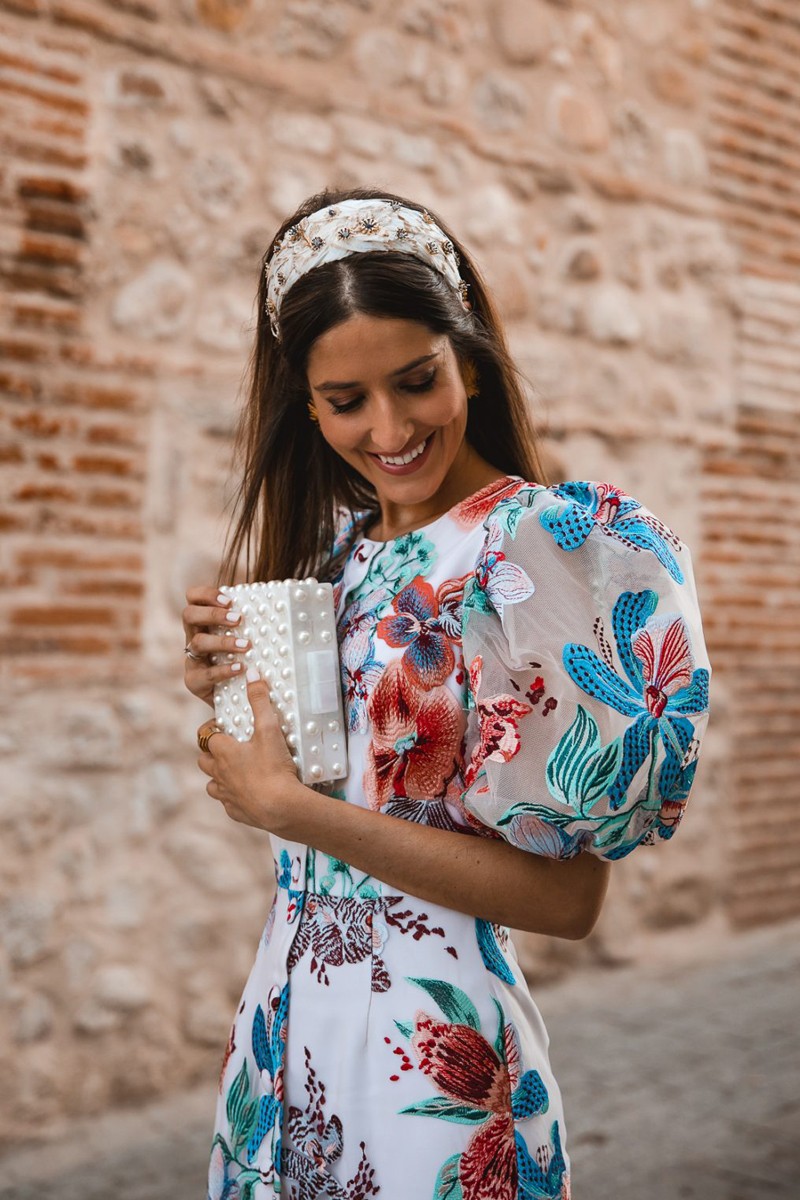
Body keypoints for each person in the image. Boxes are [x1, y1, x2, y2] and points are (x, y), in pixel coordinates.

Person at [182, 187, 711, 1200]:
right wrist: (231, 699)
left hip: (437, 1061)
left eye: (416, 381)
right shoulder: (330, 559)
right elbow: (314, 801)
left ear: (465, 355)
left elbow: (568, 898)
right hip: (281, 1043)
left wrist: (290, 809)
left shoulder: (537, 553)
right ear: (306, 404)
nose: (388, 428)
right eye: (346, 402)